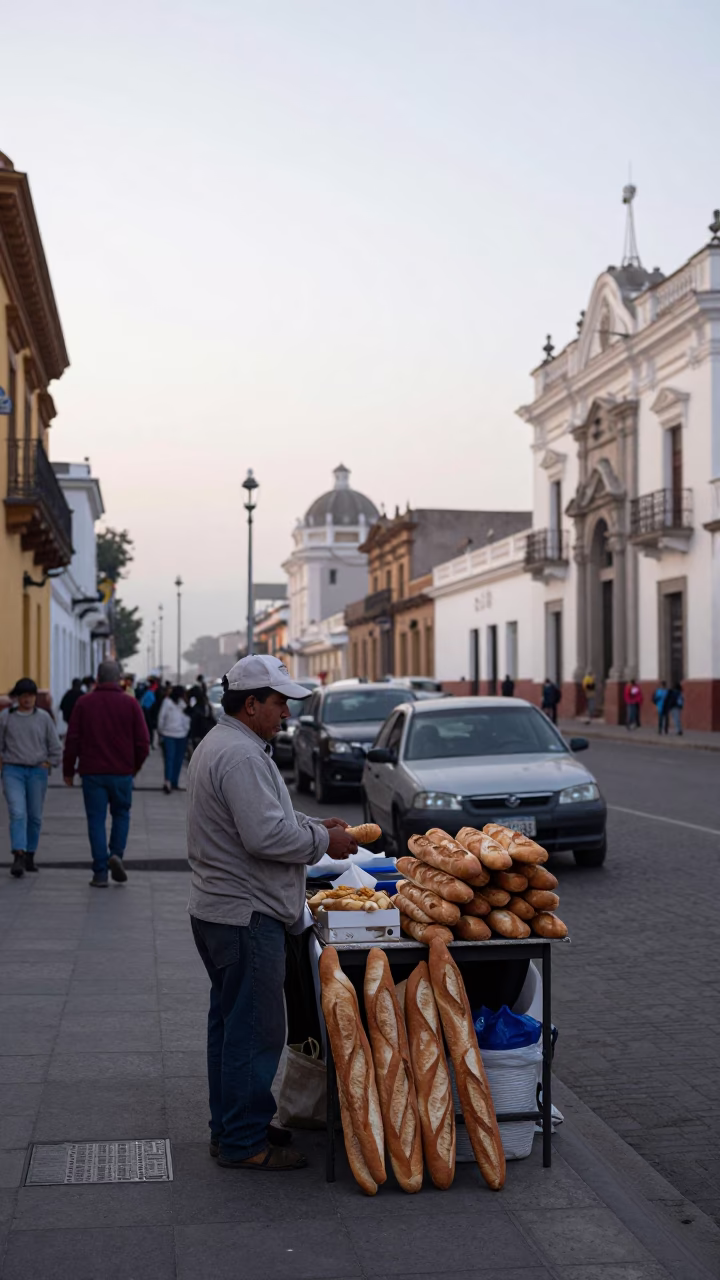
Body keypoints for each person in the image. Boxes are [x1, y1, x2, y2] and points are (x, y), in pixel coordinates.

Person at [187, 654, 359, 1172]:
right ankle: (243, 1142)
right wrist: (323, 840)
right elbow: (265, 835)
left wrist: (310, 822)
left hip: (224, 911)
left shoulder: (234, 746)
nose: (286, 711)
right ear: (251, 703)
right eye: (279, 701)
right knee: (255, 1031)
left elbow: (268, 815)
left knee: (232, 1025)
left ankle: (234, 1126)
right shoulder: (239, 754)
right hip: (246, 914)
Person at [63, 660, 150, 887]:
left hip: (92, 773)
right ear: (119, 678)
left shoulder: (84, 703)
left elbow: (72, 739)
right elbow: (143, 742)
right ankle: (116, 854)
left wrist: (68, 769)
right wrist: (135, 766)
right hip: (122, 772)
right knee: (121, 814)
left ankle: (100, 872)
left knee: (96, 820)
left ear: (98, 678)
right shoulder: (130, 704)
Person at [0, 678, 62, 877]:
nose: (28, 699)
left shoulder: (43, 718)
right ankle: (18, 853)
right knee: (17, 812)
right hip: (13, 770)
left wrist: (51, 762)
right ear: (17, 697)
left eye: (31, 695)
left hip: (37, 771)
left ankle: (30, 855)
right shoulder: (5, 717)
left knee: (34, 816)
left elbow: (54, 744)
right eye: (24, 695)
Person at [158, 685, 191, 793]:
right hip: (169, 735)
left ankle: (174, 782)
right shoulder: (167, 702)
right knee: (170, 759)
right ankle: (168, 781)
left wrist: (185, 731)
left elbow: (186, 719)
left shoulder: (182, 704)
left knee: (178, 760)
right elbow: (161, 718)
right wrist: (161, 731)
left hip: (181, 736)